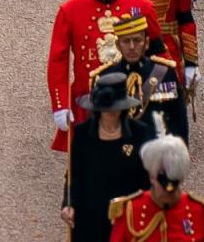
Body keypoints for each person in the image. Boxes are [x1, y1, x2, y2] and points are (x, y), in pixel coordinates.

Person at [47, 0, 163, 152]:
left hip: (131, 99)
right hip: (87, 100)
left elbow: (160, 57)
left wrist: (148, 95)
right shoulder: (70, 10)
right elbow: (58, 61)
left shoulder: (142, 6)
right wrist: (61, 104)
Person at [61, 72, 150, 242]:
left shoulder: (139, 133)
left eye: (116, 107)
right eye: (107, 109)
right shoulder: (82, 134)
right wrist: (68, 204)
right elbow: (74, 175)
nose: (111, 112)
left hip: (128, 220)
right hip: (89, 220)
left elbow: (147, 179)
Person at [94, 13, 189, 142]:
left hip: (155, 152)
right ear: (117, 46)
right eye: (126, 41)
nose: (132, 47)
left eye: (137, 40)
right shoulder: (105, 77)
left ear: (147, 43)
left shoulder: (165, 72)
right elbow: (97, 128)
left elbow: (178, 121)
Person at [108, 136, 204, 241]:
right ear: (151, 177)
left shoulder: (199, 212)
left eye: (174, 184)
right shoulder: (130, 211)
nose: (168, 192)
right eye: (162, 182)